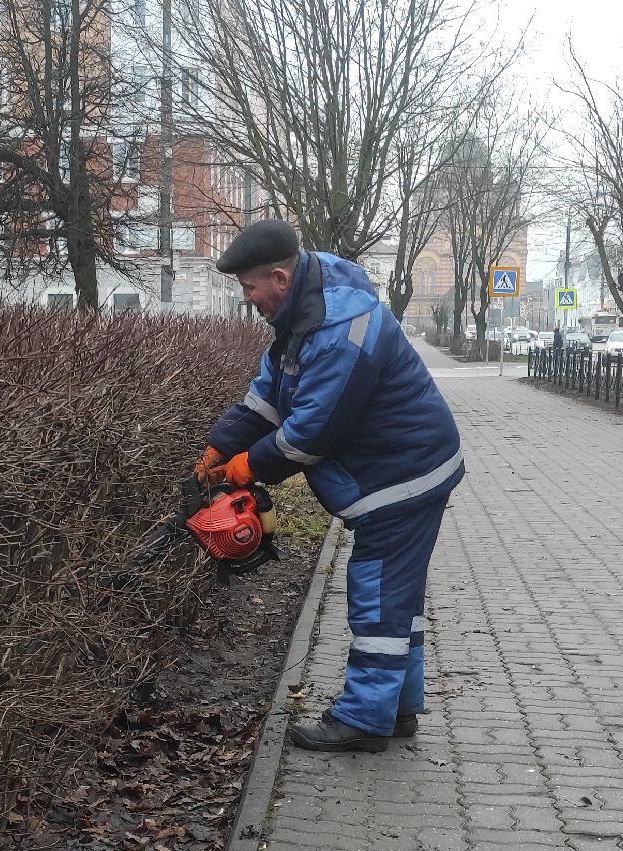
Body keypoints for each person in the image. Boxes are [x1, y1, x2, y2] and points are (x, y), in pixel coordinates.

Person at [197, 220, 464, 753]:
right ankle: (396, 709)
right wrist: (220, 443)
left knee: (378, 598)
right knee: (398, 599)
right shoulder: (305, 311)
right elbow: (270, 393)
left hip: (400, 477)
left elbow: (313, 431)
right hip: (404, 470)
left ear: (279, 276)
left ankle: (365, 720)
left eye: (250, 288)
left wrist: (247, 467)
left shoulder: (340, 329)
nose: (248, 299)